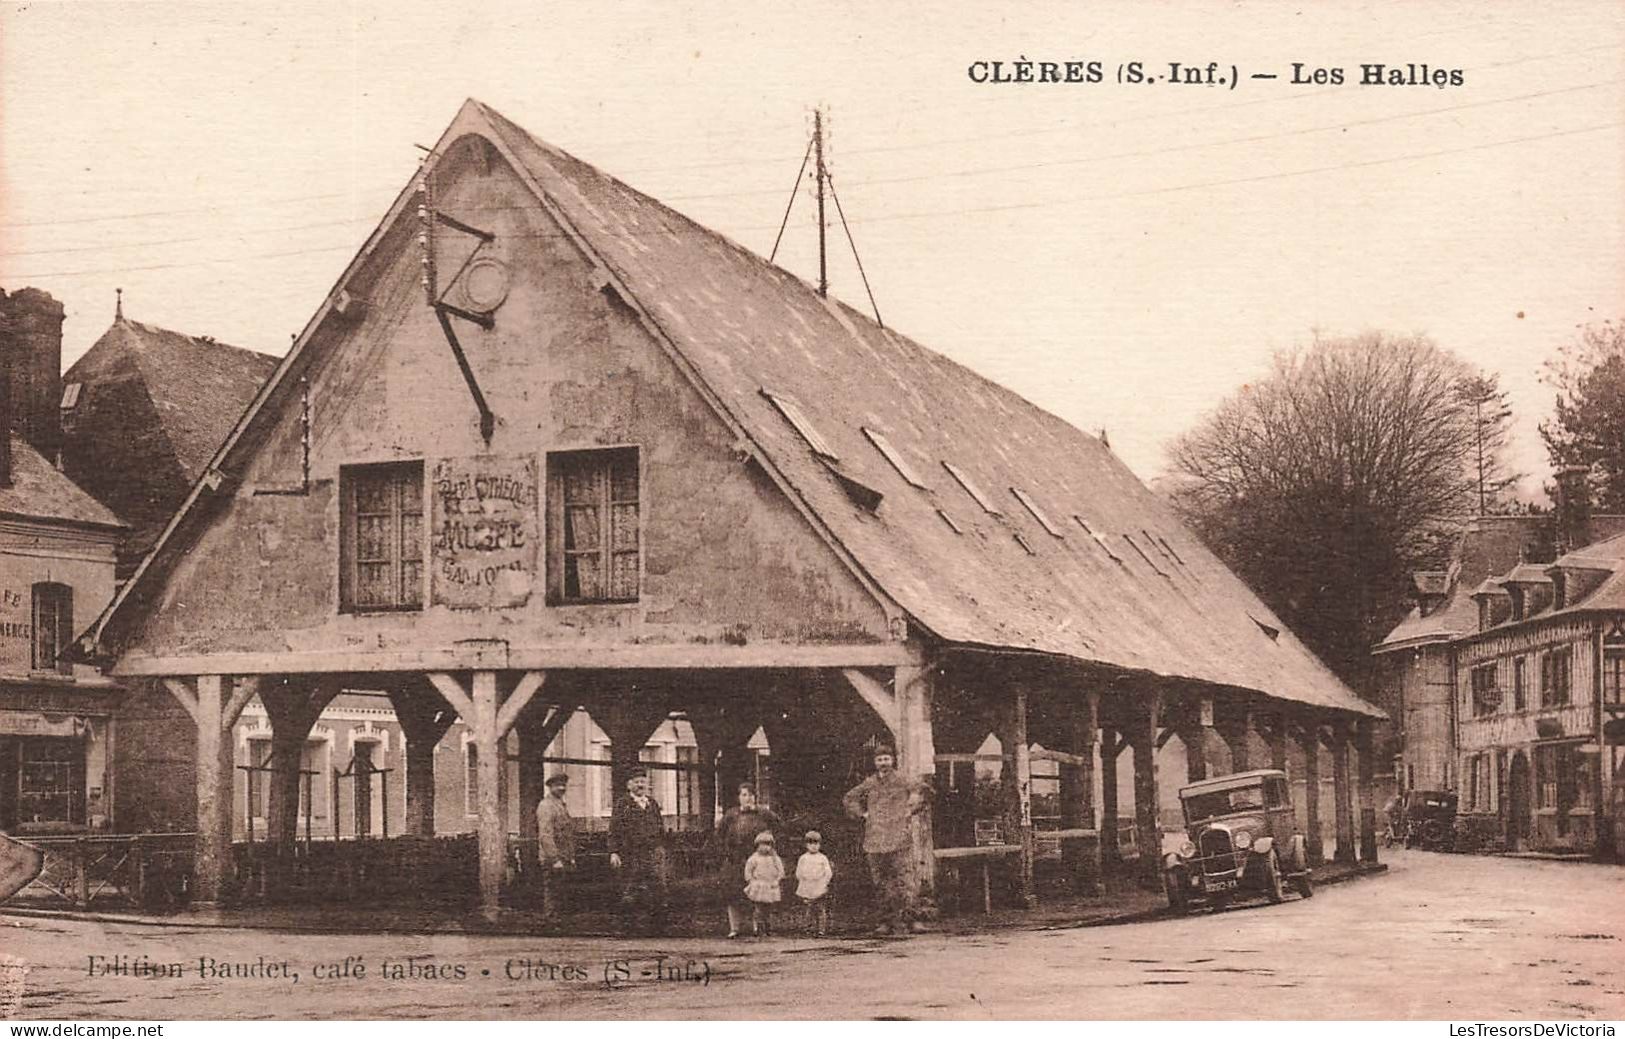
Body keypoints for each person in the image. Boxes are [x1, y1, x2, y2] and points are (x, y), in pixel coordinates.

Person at [843, 744, 926, 935]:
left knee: (905, 880)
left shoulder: (903, 779)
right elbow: (849, 798)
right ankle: (885, 922)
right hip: (875, 840)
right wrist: (862, 814)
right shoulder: (869, 783)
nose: (883, 763)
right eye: (880, 760)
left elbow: (923, 791)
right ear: (875, 762)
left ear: (893, 760)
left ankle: (911, 920)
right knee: (881, 883)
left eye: (886, 759)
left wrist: (911, 807)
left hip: (899, 839)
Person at [713, 782, 783, 938]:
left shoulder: (764, 814)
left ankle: (756, 926)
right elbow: (719, 835)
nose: (747, 798)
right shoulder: (732, 815)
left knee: (757, 893)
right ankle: (734, 928)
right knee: (732, 893)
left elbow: (779, 828)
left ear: (755, 797)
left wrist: (770, 847)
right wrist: (725, 851)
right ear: (739, 797)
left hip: (757, 859)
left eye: (751, 795)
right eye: (744, 795)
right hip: (734, 859)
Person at [608, 771, 667, 934]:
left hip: (652, 854)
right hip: (631, 854)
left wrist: (660, 849)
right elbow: (614, 829)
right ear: (629, 785)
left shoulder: (652, 804)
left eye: (643, 782)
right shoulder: (623, 804)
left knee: (655, 889)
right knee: (630, 889)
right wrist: (614, 852)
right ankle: (626, 926)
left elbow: (660, 828)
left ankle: (654, 927)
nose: (640, 785)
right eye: (636, 782)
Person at [535, 772, 576, 921]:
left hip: (564, 856)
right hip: (552, 858)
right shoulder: (546, 806)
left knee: (561, 892)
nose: (561, 788)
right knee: (552, 891)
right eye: (557, 785)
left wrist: (570, 857)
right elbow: (545, 836)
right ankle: (551, 921)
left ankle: (559, 922)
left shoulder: (560, 805)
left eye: (563, 785)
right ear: (550, 787)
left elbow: (567, 834)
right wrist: (554, 859)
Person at [742, 831, 784, 937]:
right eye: (763, 844)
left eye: (768, 845)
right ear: (757, 845)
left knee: (769, 908)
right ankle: (758, 927)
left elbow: (781, 872)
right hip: (759, 885)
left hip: (770, 885)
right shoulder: (754, 858)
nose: (765, 848)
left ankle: (768, 926)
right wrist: (751, 881)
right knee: (758, 908)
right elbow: (748, 871)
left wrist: (777, 880)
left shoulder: (775, 859)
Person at [795, 830, 834, 937]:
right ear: (806, 845)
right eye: (810, 843)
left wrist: (824, 883)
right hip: (808, 886)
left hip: (819, 886)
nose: (813, 846)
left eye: (816, 843)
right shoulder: (803, 858)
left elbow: (828, 872)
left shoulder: (822, 858)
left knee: (821, 909)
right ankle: (808, 928)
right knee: (809, 908)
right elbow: (799, 872)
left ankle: (821, 929)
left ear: (820, 845)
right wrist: (803, 881)